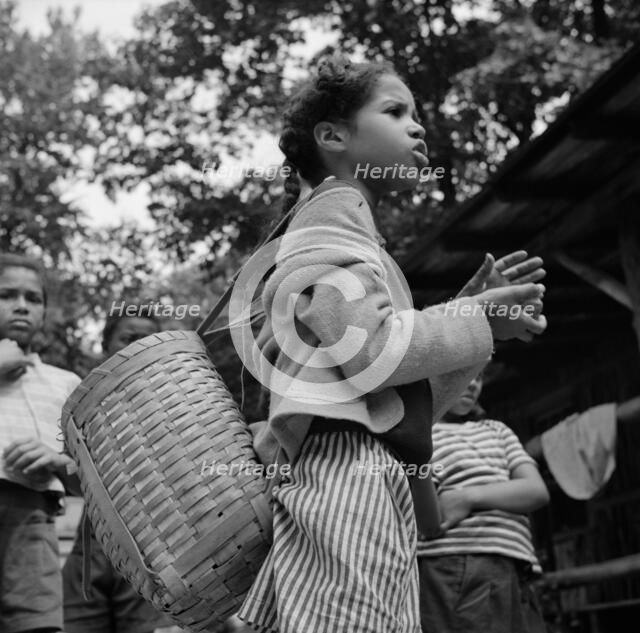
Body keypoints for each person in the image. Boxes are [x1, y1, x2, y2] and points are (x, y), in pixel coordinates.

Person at [235, 55, 547, 633]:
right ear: (333, 136)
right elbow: (374, 350)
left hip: (356, 473)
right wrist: (474, 319)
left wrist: (473, 324)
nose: (418, 125)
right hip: (345, 473)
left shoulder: (343, 228)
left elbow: (391, 394)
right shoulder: (331, 219)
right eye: (396, 111)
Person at [62, 306, 169, 633]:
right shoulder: (81, 408)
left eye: (149, 340)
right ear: (106, 348)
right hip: (89, 553)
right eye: (129, 339)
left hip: (151, 556)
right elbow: (70, 484)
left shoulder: (174, 407)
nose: (139, 347)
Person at [418, 372, 550, 633]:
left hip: (515, 564)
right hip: (456, 561)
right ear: (430, 379)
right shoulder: (423, 435)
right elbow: (426, 509)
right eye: (463, 373)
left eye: (478, 377)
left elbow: (536, 491)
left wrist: (468, 497)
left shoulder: (497, 431)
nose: (472, 383)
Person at [0, 253, 80, 633]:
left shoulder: (65, 383)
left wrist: (57, 460)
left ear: (44, 312)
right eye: (7, 294)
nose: (21, 305)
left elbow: (92, 478)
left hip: (32, 524)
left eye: (33, 299)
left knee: (35, 626)